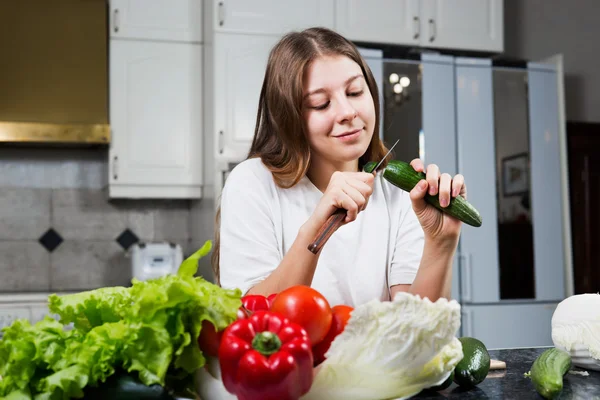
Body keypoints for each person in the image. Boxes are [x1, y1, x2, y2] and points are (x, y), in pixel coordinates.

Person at [212, 27, 467, 307]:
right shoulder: (252, 183)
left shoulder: (399, 193)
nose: (347, 112)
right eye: (321, 104)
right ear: (288, 117)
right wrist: (316, 229)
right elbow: (253, 319)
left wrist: (440, 243)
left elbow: (416, 332)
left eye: (355, 91)